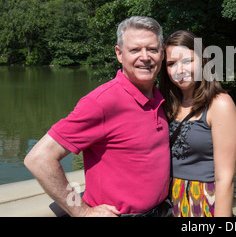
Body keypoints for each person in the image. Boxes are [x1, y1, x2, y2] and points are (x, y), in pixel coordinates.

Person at [24, 16, 170, 217]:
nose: (145, 57)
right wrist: (82, 212)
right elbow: (39, 159)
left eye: (152, 49)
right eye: (135, 50)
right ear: (119, 54)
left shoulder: (160, 98)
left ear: (162, 53)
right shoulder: (102, 102)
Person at [160, 30, 236, 217]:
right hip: (167, 204)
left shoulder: (219, 104)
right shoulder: (166, 104)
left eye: (187, 61)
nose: (180, 70)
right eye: (172, 63)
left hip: (201, 203)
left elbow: (225, 178)